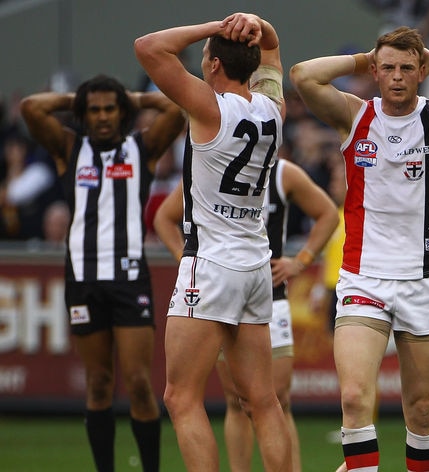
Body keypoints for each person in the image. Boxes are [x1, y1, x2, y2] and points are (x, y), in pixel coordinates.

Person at [290, 26, 429, 471]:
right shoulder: (355, 115)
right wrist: (364, 58)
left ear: (421, 71)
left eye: (407, 68)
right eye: (386, 68)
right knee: (353, 397)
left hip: (424, 282)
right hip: (362, 278)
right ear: (375, 71)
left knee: (423, 408)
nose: (396, 77)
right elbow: (302, 75)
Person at [134, 12, 293, 471]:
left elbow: (148, 45)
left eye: (206, 57)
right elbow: (274, 53)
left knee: (180, 398)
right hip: (255, 265)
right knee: (263, 401)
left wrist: (213, 27)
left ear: (215, 65)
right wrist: (261, 25)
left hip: (210, 263)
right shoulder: (273, 111)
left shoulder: (208, 107)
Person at [20, 75, 184, 471]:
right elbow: (30, 107)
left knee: (141, 385)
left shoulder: (141, 147)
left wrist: (134, 96)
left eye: (110, 108)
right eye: (93, 109)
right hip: (83, 279)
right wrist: (76, 97)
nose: (103, 116)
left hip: (130, 278)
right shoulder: (69, 149)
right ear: (83, 114)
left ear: (122, 111)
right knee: (98, 384)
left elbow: (177, 107)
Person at [154, 159, 338, 472]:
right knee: (240, 402)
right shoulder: (210, 168)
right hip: (232, 284)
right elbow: (164, 218)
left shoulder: (281, 172)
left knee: (272, 398)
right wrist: (186, 258)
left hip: (265, 294)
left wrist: (300, 261)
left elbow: (328, 214)